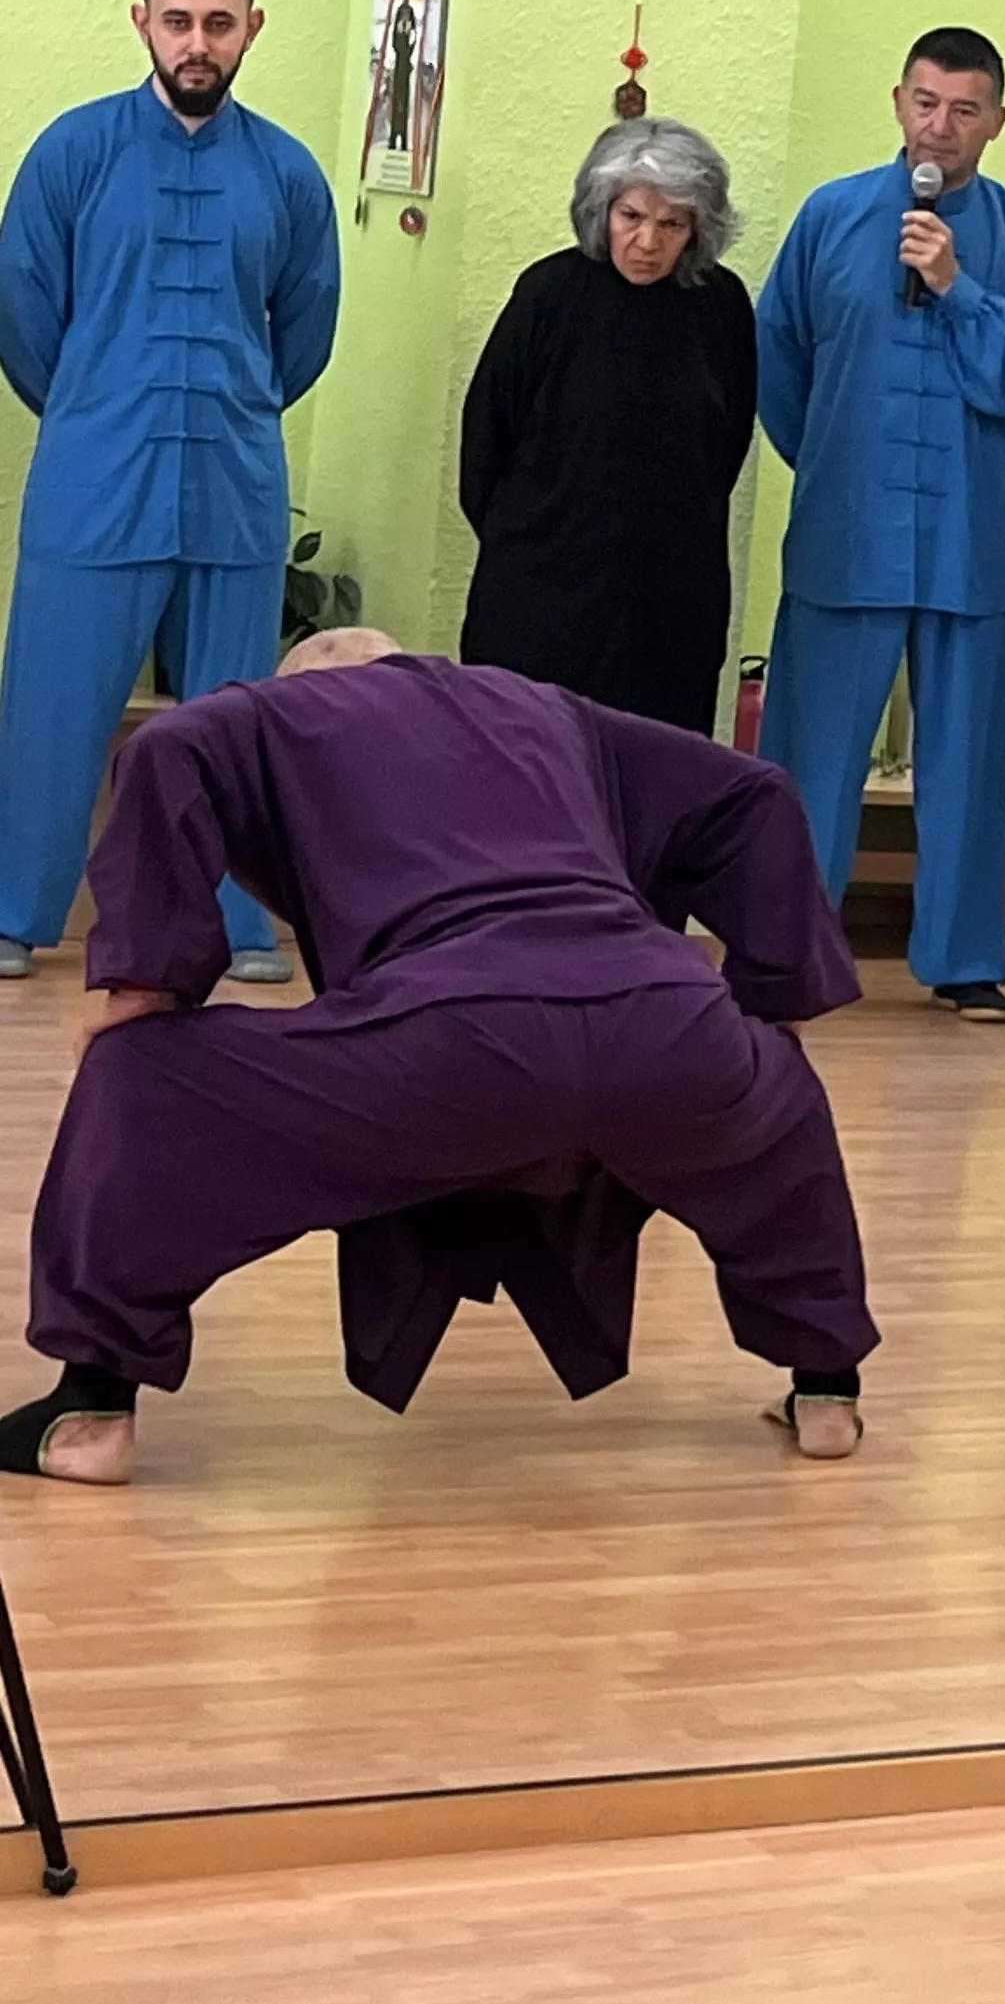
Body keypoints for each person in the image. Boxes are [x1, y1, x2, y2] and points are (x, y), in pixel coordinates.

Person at [3, 632, 877, 1486]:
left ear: (304, 676)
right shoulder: (543, 708)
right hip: (664, 1015)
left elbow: (164, 746)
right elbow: (756, 791)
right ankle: (828, 1391)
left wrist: (146, 987)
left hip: (447, 1036)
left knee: (136, 1076)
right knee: (781, 1097)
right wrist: (776, 1007)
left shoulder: (276, 709)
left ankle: (92, 1408)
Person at [0, 0, 336, 989]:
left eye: (219, 24)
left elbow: (306, 329)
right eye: (180, 20)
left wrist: (227, 405)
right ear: (143, 21)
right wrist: (102, 408)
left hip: (232, 485)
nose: (198, 42)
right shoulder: (72, 152)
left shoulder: (288, 173)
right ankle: (17, 910)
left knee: (235, 719)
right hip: (93, 482)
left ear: (252, 30)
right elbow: (22, 316)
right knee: (52, 707)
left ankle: (239, 920)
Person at [754, 26, 1005, 1024]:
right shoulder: (830, 217)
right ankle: (787, 952)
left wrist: (956, 285)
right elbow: (778, 363)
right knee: (811, 758)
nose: (942, 127)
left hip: (966, 542)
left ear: (998, 122)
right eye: (926, 103)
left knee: (968, 759)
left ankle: (962, 957)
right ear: (898, 101)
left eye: (965, 111)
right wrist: (832, 467)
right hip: (847, 529)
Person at [458, 119, 756, 732]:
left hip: (671, 604)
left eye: (672, 224)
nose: (648, 241)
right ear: (602, 211)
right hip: (540, 597)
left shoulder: (720, 305)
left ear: (699, 228)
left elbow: (723, 449)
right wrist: (530, 547)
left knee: (654, 784)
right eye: (631, 217)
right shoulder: (548, 294)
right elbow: (486, 439)